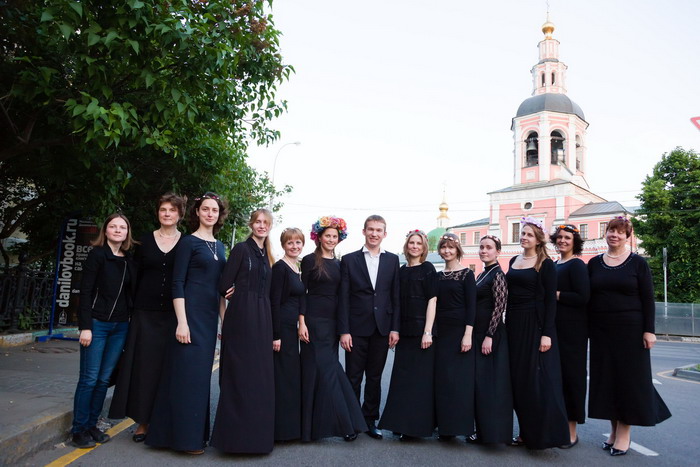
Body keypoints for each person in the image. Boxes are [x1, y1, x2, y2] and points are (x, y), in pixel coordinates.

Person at [145, 193, 227, 454]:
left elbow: (221, 289)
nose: (210, 213)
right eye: (205, 209)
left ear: (219, 215)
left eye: (214, 210)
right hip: (188, 317)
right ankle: (183, 441)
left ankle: (188, 437)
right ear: (197, 212)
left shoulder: (221, 246)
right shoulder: (188, 242)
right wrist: (182, 322)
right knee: (186, 378)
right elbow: (177, 283)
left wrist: (224, 323)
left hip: (208, 321)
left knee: (200, 380)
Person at [588, 217, 671, 456]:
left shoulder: (637, 263)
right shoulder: (594, 263)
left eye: (620, 232)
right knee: (607, 381)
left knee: (629, 381)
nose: (614, 235)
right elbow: (588, 297)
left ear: (627, 236)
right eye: (611, 230)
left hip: (631, 330)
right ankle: (613, 431)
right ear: (606, 233)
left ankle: (624, 433)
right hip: (601, 331)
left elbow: (647, 298)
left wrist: (649, 330)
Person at [109, 193, 186, 442]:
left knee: (168, 370)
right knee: (145, 370)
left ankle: (161, 421)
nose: (167, 214)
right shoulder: (144, 241)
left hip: (173, 316)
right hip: (144, 314)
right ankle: (142, 422)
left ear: (179, 215)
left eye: (172, 210)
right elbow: (132, 276)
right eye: (163, 209)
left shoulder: (187, 243)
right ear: (158, 213)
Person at [211, 208, 276, 454]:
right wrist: (239, 291)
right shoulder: (241, 249)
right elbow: (223, 285)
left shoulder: (267, 255)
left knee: (259, 377)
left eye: (265, 222)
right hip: (241, 317)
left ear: (270, 226)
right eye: (257, 222)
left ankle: (256, 440)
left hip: (263, 318)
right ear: (251, 224)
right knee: (239, 375)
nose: (261, 226)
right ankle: (233, 441)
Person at [71, 213, 136, 448]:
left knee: (103, 380)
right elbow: (85, 292)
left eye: (122, 227)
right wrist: (85, 327)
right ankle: (78, 430)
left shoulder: (129, 260)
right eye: (113, 226)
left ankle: (91, 425)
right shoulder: (97, 255)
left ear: (127, 233)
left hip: (120, 327)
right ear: (106, 231)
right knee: (89, 379)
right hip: (97, 325)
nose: (118, 230)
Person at [299, 216, 366, 442]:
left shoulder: (340, 264)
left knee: (328, 372)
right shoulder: (309, 260)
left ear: (339, 239)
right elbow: (302, 293)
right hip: (313, 322)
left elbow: (343, 297)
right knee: (319, 372)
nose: (330, 239)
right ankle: (344, 424)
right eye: (327, 235)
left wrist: (344, 327)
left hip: (332, 324)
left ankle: (335, 424)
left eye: (334, 236)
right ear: (319, 237)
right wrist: (301, 322)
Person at [506, 217, 569, 449]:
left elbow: (550, 301)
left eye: (529, 234)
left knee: (535, 381)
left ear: (538, 239)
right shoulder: (513, 260)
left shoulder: (546, 263)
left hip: (535, 324)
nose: (524, 237)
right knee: (518, 381)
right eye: (523, 233)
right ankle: (524, 433)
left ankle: (543, 435)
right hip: (513, 324)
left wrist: (547, 333)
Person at [338, 214, 400, 439]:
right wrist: (344, 330)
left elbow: (395, 296)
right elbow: (343, 298)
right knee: (353, 377)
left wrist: (395, 328)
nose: (374, 233)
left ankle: (370, 420)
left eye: (378, 230)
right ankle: (352, 422)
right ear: (364, 231)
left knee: (374, 378)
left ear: (385, 233)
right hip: (355, 329)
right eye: (371, 229)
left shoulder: (393, 260)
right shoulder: (349, 259)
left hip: (382, 329)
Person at [378, 230, 437, 440]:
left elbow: (432, 300)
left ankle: (415, 428)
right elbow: (395, 302)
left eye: (418, 243)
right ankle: (399, 423)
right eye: (411, 242)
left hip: (422, 333)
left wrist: (428, 332)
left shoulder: (428, 268)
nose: (414, 246)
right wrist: (394, 329)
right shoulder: (401, 271)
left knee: (419, 381)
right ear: (407, 245)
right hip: (404, 332)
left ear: (424, 247)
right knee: (402, 380)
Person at [470, 235, 512, 445]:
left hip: (490, 336)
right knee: (480, 384)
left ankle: (492, 434)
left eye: (489, 248)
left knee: (491, 385)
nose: (484, 251)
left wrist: (489, 336)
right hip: (479, 334)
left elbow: (499, 307)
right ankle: (482, 431)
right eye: (481, 247)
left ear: (498, 252)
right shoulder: (482, 274)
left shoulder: (498, 275)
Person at [433, 232, 476, 440]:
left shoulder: (467, 274)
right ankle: (444, 427)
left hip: (459, 332)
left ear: (457, 249)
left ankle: (460, 426)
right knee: (442, 379)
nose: (447, 251)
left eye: (450, 247)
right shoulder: (438, 276)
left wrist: (467, 334)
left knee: (458, 381)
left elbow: (472, 307)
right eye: (443, 247)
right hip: (441, 332)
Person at [550, 224, 590, 448]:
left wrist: (555, 294)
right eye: (560, 237)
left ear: (575, 241)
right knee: (557, 379)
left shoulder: (577, 265)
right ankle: (557, 426)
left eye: (567, 237)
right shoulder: (556, 264)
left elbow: (583, 297)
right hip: (555, 328)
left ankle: (571, 431)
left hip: (573, 332)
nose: (562, 241)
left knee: (572, 379)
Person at [269, 227, 305, 441]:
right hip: (281, 329)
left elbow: (300, 299)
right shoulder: (280, 268)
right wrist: (276, 335)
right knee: (282, 378)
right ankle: (280, 431)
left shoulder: (296, 267)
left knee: (291, 377)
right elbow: (274, 302)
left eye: (298, 242)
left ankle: (291, 428)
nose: (294, 246)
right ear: (283, 245)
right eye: (290, 243)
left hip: (292, 329)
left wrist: (301, 323)